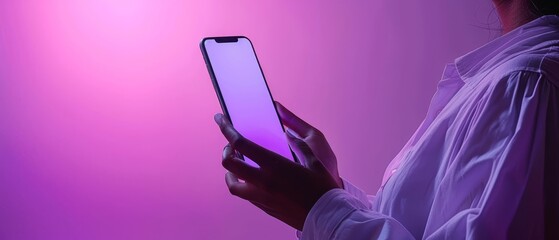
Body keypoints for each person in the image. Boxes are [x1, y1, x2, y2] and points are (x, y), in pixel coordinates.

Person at [213, 0, 559, 239]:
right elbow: (418, 227)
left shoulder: (527, 81)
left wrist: (322, 210)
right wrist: (331, 192)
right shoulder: (514, 78)